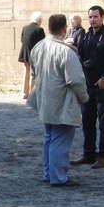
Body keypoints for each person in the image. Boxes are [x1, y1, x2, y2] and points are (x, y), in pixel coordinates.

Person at [27, 14, 89, 187]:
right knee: (60, 140)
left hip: (45, 100)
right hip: (62, 102)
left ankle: (49, 173)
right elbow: (75, 80)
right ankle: (58, 176)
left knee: (50, 138)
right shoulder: (66, 52)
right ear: (64, 29)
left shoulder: (38, 47)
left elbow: (34, 73)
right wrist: (84, 98)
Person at [71, 5, 104, 169]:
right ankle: (88, 154)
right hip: (88, 86)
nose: (93, 20)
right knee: (87, 121)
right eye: (90, 17)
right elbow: (80, 58)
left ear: (102, 17)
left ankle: (103, 156)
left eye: (96, 17)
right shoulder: (85, 37)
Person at [18, 11, 45, 99]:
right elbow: (42, 43)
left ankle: (24, 93)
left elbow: (22, 40)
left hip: (25, 53)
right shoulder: (39, 29)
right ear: (39, 20)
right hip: (34, 54)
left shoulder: (25, 28)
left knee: (26, 72)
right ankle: (31, 94)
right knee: (33, 74)